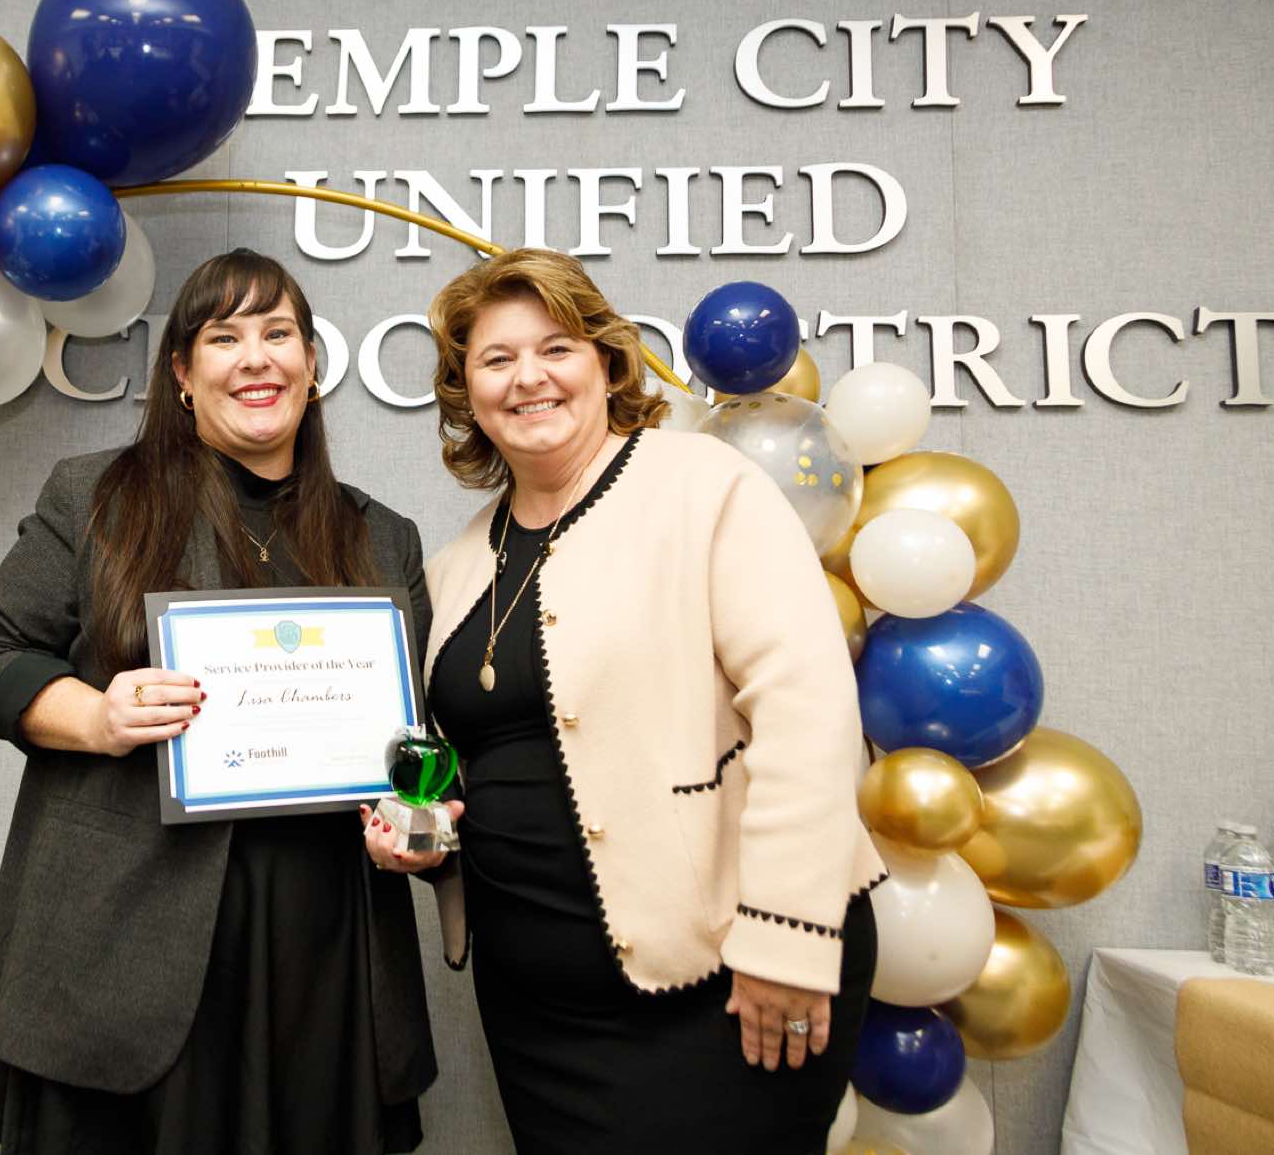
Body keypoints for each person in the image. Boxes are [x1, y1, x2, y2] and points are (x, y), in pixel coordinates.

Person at [364, 248, 884, 1153]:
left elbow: (809, 711)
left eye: (556, 348)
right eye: (496, 359)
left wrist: (788, 937)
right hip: (536, 1008)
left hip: (727, 975)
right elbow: (478, 768)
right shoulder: (454, 565)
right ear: (467, 394)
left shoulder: (703, 485)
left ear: (606, 363)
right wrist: (427, 838)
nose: (528, 377)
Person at [0, 249, 436, 1155]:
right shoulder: (96, 496)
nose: (256, 358)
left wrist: (423, 817)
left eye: (278, 333)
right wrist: (95, 717)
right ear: (182, 372)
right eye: (224, 336)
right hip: (126, 943)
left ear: (311, 364)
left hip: (325, 955)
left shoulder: (382, 535)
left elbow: (415, 739)